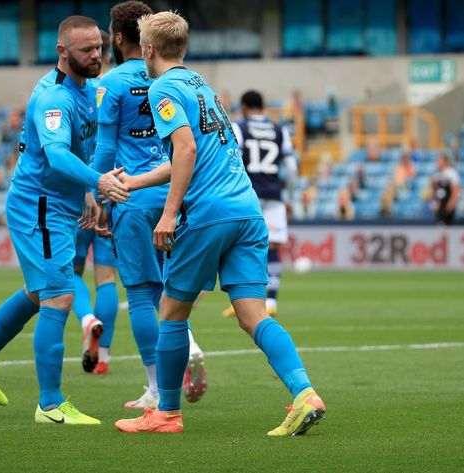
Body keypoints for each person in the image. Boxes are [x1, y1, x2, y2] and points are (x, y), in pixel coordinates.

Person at [114, 11, 325, 435]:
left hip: (208, 212)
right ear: (183, 48)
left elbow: (186, 150)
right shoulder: (202, 86)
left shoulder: (162, 88)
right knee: (253, 314)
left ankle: (166, 414)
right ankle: (304, 394)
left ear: (149, 50)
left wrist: (170, 213)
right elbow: (190, 154)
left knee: (171, 312)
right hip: (247, 210)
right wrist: (135, 181)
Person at [0, 15, 129, 425]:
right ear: (62, 52)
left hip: (59, 206)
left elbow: (74, 151)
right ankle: (50, 405)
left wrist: (85, 192)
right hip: (40, 207)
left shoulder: (85, 89)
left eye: (99, 48)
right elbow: (56, 154)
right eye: (86, 50)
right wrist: (98, 181)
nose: (96, 55)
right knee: (60, 296)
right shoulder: (55, 98)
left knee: (39, 295)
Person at [93, 0, 206, 408]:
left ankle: (157, 389)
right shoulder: (177, 77)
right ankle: (188, 340)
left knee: (141, 294)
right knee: (173, 289)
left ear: (117, 37)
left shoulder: (112, 82)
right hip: (176, 191)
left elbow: (105, 147)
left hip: (134, 194)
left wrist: (98, 193)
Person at [223, 90, 298, 317]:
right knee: (273, 246)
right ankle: (271, 301)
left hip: (248, 194)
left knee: (241, 245)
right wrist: (290, 197)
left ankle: (244, 301)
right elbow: (292, 169)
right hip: (274, 194)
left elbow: (231, 159)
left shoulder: (240, 127)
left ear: (244, 107)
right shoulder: (280, 130)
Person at [71, 28, 119, 376]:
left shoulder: (75, 92)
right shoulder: (116, 89)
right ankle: (103, 357)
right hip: (111, 191)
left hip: (76, 192)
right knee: (106, 277)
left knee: (70, 270)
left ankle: (87, 318)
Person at [432, 154, 460, 225]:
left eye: (439, 161)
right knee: (440, 225)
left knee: (448, 226)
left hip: (448, 203)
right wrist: (437, 202)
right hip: (440, 204)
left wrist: (451, 203)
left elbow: (455, 189)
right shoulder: (436, 174)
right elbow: (436, 190)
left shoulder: (452, 173)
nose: (437, 162)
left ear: (445, 161)